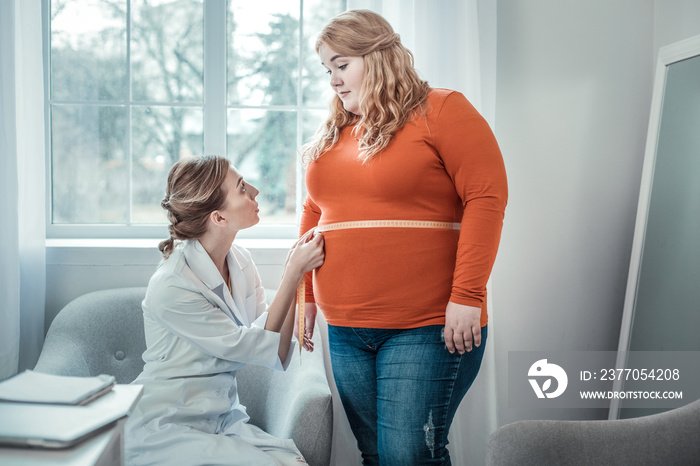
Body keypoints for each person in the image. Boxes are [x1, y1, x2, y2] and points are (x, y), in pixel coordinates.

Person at [297, 9, 508, 465]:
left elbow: (486, 199)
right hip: (346, 328)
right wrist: (306, 295)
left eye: (342, 64)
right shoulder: (335, 131)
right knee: (375, 455)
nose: (333, 79)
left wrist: (467, 295)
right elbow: (316, 212)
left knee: (409, 456)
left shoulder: (443, 110)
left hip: (426, 324)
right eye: (326, 68)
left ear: (378, 57)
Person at [124, 155, 325, 466]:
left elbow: (275, 349)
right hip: (168, 424)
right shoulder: (173, 285)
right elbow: (261, 345)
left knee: (296, 463)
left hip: (222, 418)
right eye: (242, 188)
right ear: (218, 217)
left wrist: (296, 276)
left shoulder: (241, 260)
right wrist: (293, 272)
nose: (255, 191)